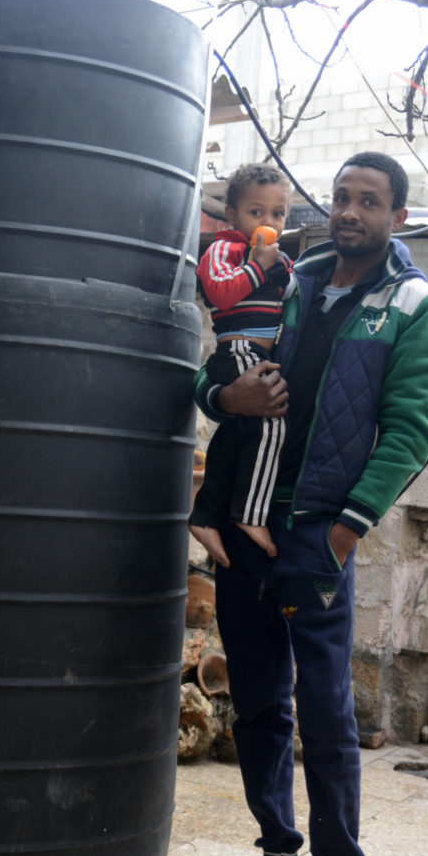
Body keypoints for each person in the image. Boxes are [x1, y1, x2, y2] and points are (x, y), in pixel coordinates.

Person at [192, 152, 428, 856]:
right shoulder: (288, 279)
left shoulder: (414, 305)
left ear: (397, 218)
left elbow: (408, 432)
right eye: (341, 196)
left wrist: (340, 539)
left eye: (369, 200)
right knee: (259, 707)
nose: (349, 210)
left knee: (330, 720)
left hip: (315, 540)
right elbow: (218, 365)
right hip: (244, 527)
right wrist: (219, 400)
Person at [189, 163, 292, 565]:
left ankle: (206, 516)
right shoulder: (223, 250)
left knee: (236, 436)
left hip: (260, 353)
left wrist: (274, 266)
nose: (267, 222)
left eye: (277, 214)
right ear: (231, 215)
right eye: (256, 212)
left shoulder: (275, 258)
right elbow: (221, 292)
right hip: (238, 352)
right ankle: (250, 514)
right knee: (272, 422)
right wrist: (257, 265)